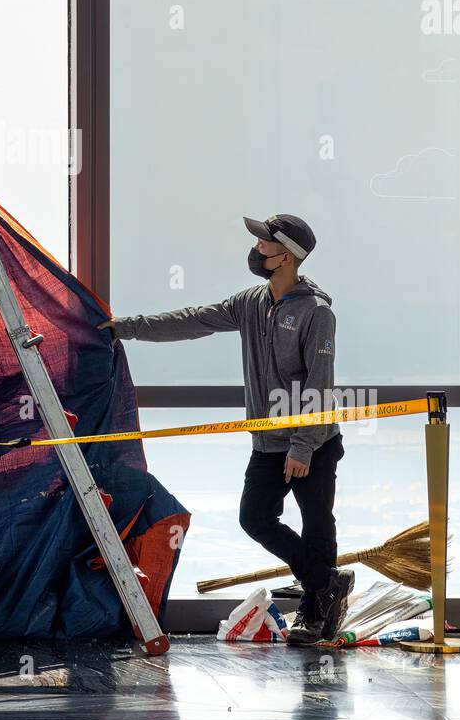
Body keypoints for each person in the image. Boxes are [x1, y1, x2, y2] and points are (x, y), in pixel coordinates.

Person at [99, 214, 352, 646]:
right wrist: (126, 329)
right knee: (254, 518)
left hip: (312, 443)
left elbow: (319, 385)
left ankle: (316, 608)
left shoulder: (316, 313)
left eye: (264, 244)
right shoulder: (252, 302)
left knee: (316, 524)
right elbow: (195, 320)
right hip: (268, 442)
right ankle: (326, 582)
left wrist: (303, 447)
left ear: (287, 256)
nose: (256, 249)